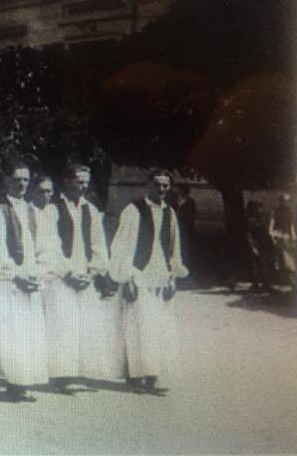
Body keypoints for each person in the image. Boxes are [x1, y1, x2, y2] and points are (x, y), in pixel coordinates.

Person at [109, 169, 188, 394]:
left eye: (165, 185)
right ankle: (136, 376)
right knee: (139, 328)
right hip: (139, 275)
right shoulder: (133, 211)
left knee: (159, 328)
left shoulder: (170, 213)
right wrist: (128, 278)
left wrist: (173, 277)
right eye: (157, 185)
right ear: (148, 185)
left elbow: (174, 248)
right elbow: (122, 247)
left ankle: (153, 374)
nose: (161, 189)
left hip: (161, 276)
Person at [0, 159, 52, 402]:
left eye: (25, 179)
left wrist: (37, 274)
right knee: (5, 333)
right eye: (16, 179)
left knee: (27, 334)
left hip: (29, 283)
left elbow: (44, 249)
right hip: (6, 284)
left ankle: (20, 380)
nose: (21, 184)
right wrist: (15, 275)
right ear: (6, 180)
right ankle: (3, 379)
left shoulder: (35, 213)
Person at [42, 164, 114, 393]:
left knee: (85, 324)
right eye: (79, 181)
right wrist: (67, 273)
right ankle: (61, 375)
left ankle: (78, 371)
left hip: (85, 276)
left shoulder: (90, 210)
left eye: (86, 182)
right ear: (67, 181)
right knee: (63, 324)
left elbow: (99, 245)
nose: (83, 186)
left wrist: (92, 273)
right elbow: (50, 246)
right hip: (62, 277)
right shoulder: (52, 210)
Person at [269, 193, 297, 290]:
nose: (286, 203)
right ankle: (281, 282)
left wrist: (294, 237)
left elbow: (291, 225)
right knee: (281, 260)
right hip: (279, 237)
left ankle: (290, 282)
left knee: (289, 260)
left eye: (287, 201)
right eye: (284, 201)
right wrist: (274, 236)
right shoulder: (275, 212)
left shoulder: (290, 212)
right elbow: (271, 227)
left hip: (288, 238)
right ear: (280, 202)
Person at [245, 200, 274, 292]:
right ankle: (258, 285)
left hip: (264, 245)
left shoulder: (260, 219)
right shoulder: (251, 220)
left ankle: (264, 285)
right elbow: (249, 235)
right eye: (258, 207)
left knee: (264, 265)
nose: (261, 209)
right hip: (258, 245)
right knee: (258, 266)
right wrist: (253, 247)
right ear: (253, 209)